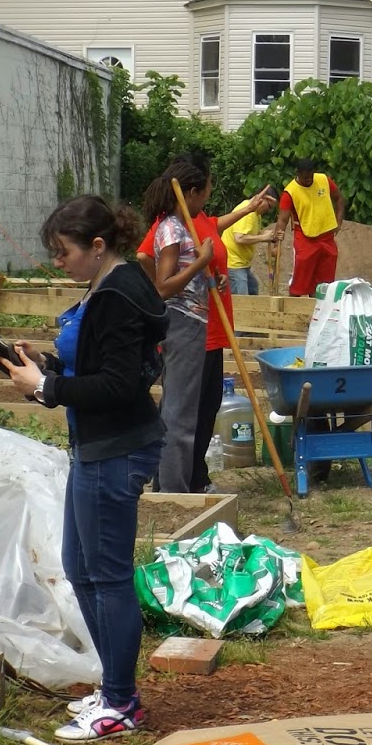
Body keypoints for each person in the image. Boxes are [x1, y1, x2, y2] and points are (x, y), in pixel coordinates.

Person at [1, 195, 169, 742]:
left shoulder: (118, 295)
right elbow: (101, 366)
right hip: (96, 444)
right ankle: (116, 688)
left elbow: (121, 384)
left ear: (98, 247)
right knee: (80, 568)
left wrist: (47, 388)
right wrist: (48, 367)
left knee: (109, 577)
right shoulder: (109, 286)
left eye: (64, 252)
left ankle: (121, 704)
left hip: (115, 448)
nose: (59, 262)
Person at [137, 155, 266, 493]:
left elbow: (185, 277)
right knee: (180, 416)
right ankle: (176, 493)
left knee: (185, 411)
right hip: (183, 325)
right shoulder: (172, 230)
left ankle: (171, 487)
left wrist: (211, 280)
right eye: (207, 191)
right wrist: (202, 262)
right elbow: (164, 287)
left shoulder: (186, 226)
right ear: (191, 192)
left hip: (195, 321)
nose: (208, 198)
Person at [273, 158, 345, 297]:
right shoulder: (290, 192)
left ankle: (318, 310)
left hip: (326, 237)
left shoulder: (323, 180)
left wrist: (338, 221)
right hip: (305, 238)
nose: (309, 180)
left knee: (325, 283)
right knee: (301, 276)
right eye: (305, 177)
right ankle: (294, 307)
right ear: (297, 173)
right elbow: (282, 220)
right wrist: (276, 243)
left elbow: (339, 198)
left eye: (311, 176)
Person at [223, 192, 281, 296]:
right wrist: (263, 237)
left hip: (243, 263)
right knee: (243, 298)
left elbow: (252, 234)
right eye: (269, 206)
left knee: (253, 287)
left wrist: (268, 235)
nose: (268, 210)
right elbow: (239, 238)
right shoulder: (248, 213)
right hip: (234, 263)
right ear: (262, 198)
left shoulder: (256, 214)